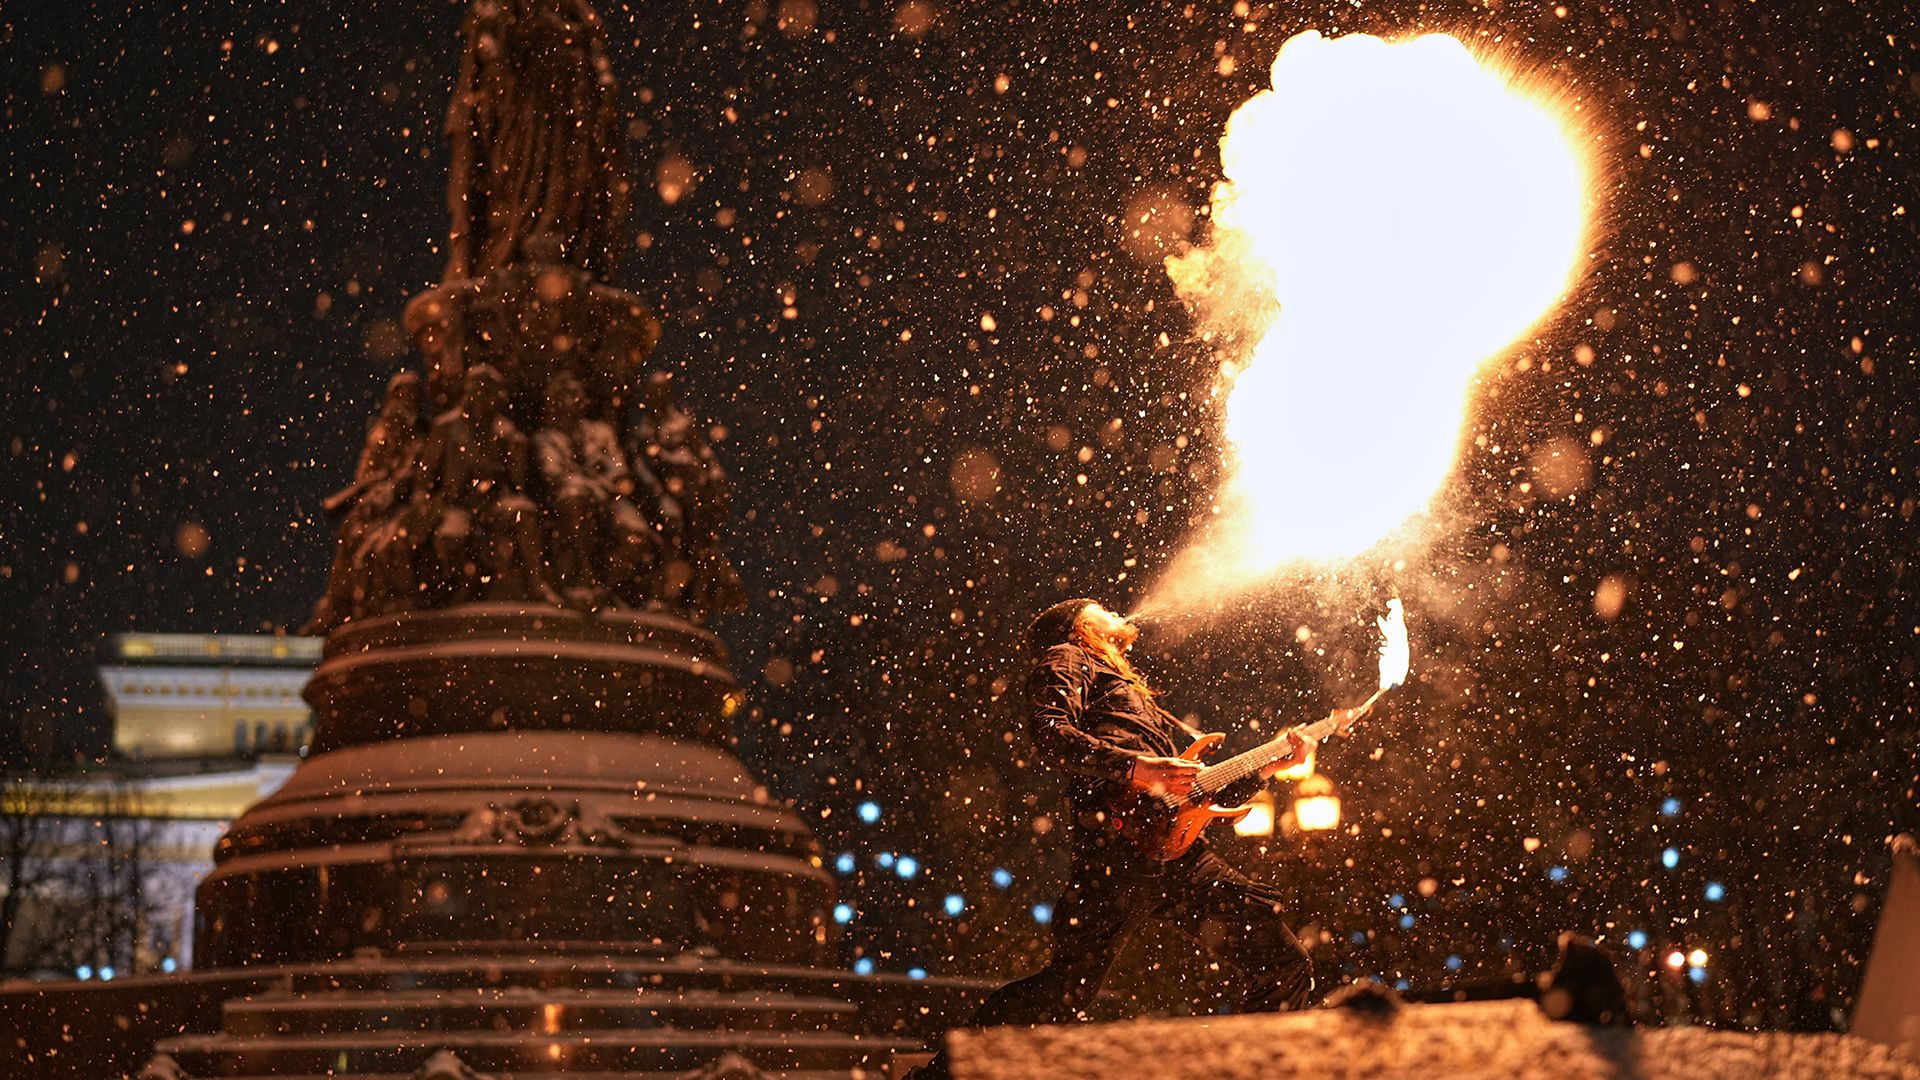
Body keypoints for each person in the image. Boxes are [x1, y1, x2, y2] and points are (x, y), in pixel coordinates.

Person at [913, 598, 1353, 1078]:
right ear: (1081, 625)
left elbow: (1200, 782)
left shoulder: (1132, 692)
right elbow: (1049, 734)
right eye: (1100, 608)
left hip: (1181, 851)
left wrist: (1270, 764)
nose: (1117, 613)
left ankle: (1255, 1067)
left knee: (1282, 961)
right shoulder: (1067, 657)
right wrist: (1135, 767)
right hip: (1118, 849)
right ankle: (939, 1075)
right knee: (1065, 990)